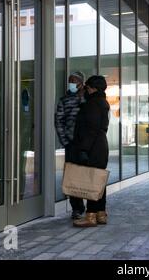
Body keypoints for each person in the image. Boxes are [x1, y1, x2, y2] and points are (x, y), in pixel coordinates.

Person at [71, 75, 110, 228]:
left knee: (93, 180)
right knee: (99, 180)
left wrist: (84, 149)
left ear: (93, 88)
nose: (86, 89)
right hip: (101, 145)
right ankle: (101, 213)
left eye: (87, 87)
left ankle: (91, 216)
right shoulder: (103, 102)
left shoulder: (93, 104)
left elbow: (91, 130)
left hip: (93, 147)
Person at [55, 71, 86, 219]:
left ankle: (93, 206)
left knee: (88, 175)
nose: (71, 83)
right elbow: (59, 121)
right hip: (72, 144)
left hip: (87, 143)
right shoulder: (64, 100)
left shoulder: (87, 98)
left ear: (81, 82)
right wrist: (65, 141)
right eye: (70, 81)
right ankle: (77, 208)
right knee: (72, 176)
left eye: (74, 81)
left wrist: (82, 99)